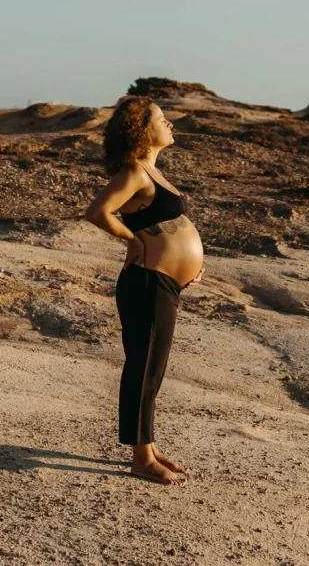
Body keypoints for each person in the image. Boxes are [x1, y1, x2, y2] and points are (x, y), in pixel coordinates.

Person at [84, 96, 204, 486]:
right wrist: (131, 240)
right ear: (142, 130)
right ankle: (140, 458)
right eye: (162, 119)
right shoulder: (134, 172)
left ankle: (148, 447)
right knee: (144, 367)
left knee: (153, 368)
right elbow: (98, 211)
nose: (170, 124)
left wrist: (189, 263)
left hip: (163, 282)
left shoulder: (155, 173)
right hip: (146, 281)